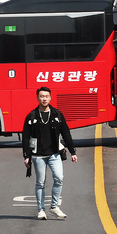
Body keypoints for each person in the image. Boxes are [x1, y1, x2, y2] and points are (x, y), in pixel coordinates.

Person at [21, 86, 77, 220]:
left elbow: (66, 133)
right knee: (40, 183)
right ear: (37, 98)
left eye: (46, 96)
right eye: (41, 96)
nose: (44, 98)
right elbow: (25, 137)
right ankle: (41, 210)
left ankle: (54, 206)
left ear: (50, 98)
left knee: (59, 178)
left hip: (54, 154)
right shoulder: (32, 116)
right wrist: (26, 156)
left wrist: (72, 151)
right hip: (38, 155)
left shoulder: (57, 114)